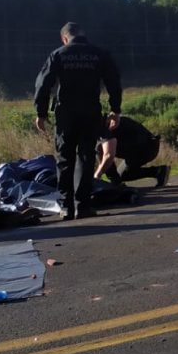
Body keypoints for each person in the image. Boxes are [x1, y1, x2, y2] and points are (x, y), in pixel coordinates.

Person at [33, 22, 122, 220]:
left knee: (64, 157)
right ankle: (83, 205)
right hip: (90, 111)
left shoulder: (58, 54)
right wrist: (115, 109)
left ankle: (66, 207)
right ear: (83, 35)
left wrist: (41, 113)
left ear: (65, 38)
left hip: (65, 112)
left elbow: (43, 84)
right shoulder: (99, 54)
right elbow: (114, 81)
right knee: (86, 156)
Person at [94, 114, 168, 187]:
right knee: (120, 174)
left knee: (121, 174)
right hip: (148, 146)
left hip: (147, 148)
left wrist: (97, 175)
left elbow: (108, 155)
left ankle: (116, 183)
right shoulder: (110, 120)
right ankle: (158, 171)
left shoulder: (107, 127)